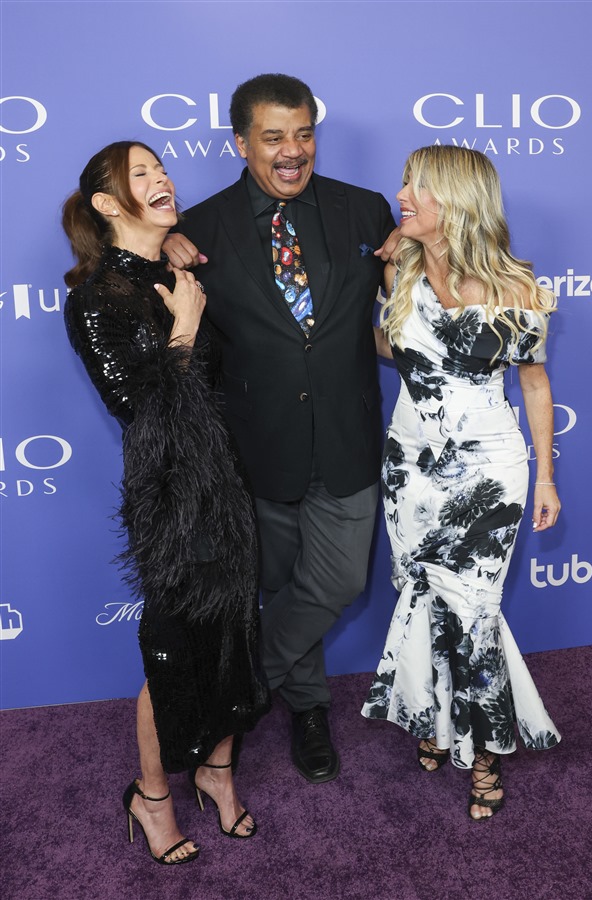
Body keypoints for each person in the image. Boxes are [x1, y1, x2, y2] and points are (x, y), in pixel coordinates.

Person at [164, 73, 399, 783]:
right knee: (281, 583)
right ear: (242, 143)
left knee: (336, 581)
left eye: (303, 134)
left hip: (348, 437)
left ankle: (230, 688)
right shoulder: (200, 229)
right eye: (273, 137)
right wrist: (162, 251)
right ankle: (309, 708)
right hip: (257, 445)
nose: (292, 150)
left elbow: (407, 307)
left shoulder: (366, 210)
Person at [62, 141, 270, 863]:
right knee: (173, 645)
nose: (162, 180)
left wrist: (183, 291)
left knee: (234, 629)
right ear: (107, 204)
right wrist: (182, 326)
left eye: (161, 169)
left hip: (224, 478)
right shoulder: (95, 298)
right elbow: (141, 410)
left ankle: (217, 772)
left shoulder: (178, 274)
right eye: (141, 175)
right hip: (169, 490)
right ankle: (151, 796)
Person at [361, 145, 561, 819]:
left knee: (473, 611)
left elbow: (535, 385)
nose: (401, 195)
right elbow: (397, 350)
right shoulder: (401, 270)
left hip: (488, 471)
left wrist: (545, 479)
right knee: (420, 594)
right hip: (409, 466)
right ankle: (431, 715)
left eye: (415, 185)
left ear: (453, 199)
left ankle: (484, 754)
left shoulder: (514, 287)